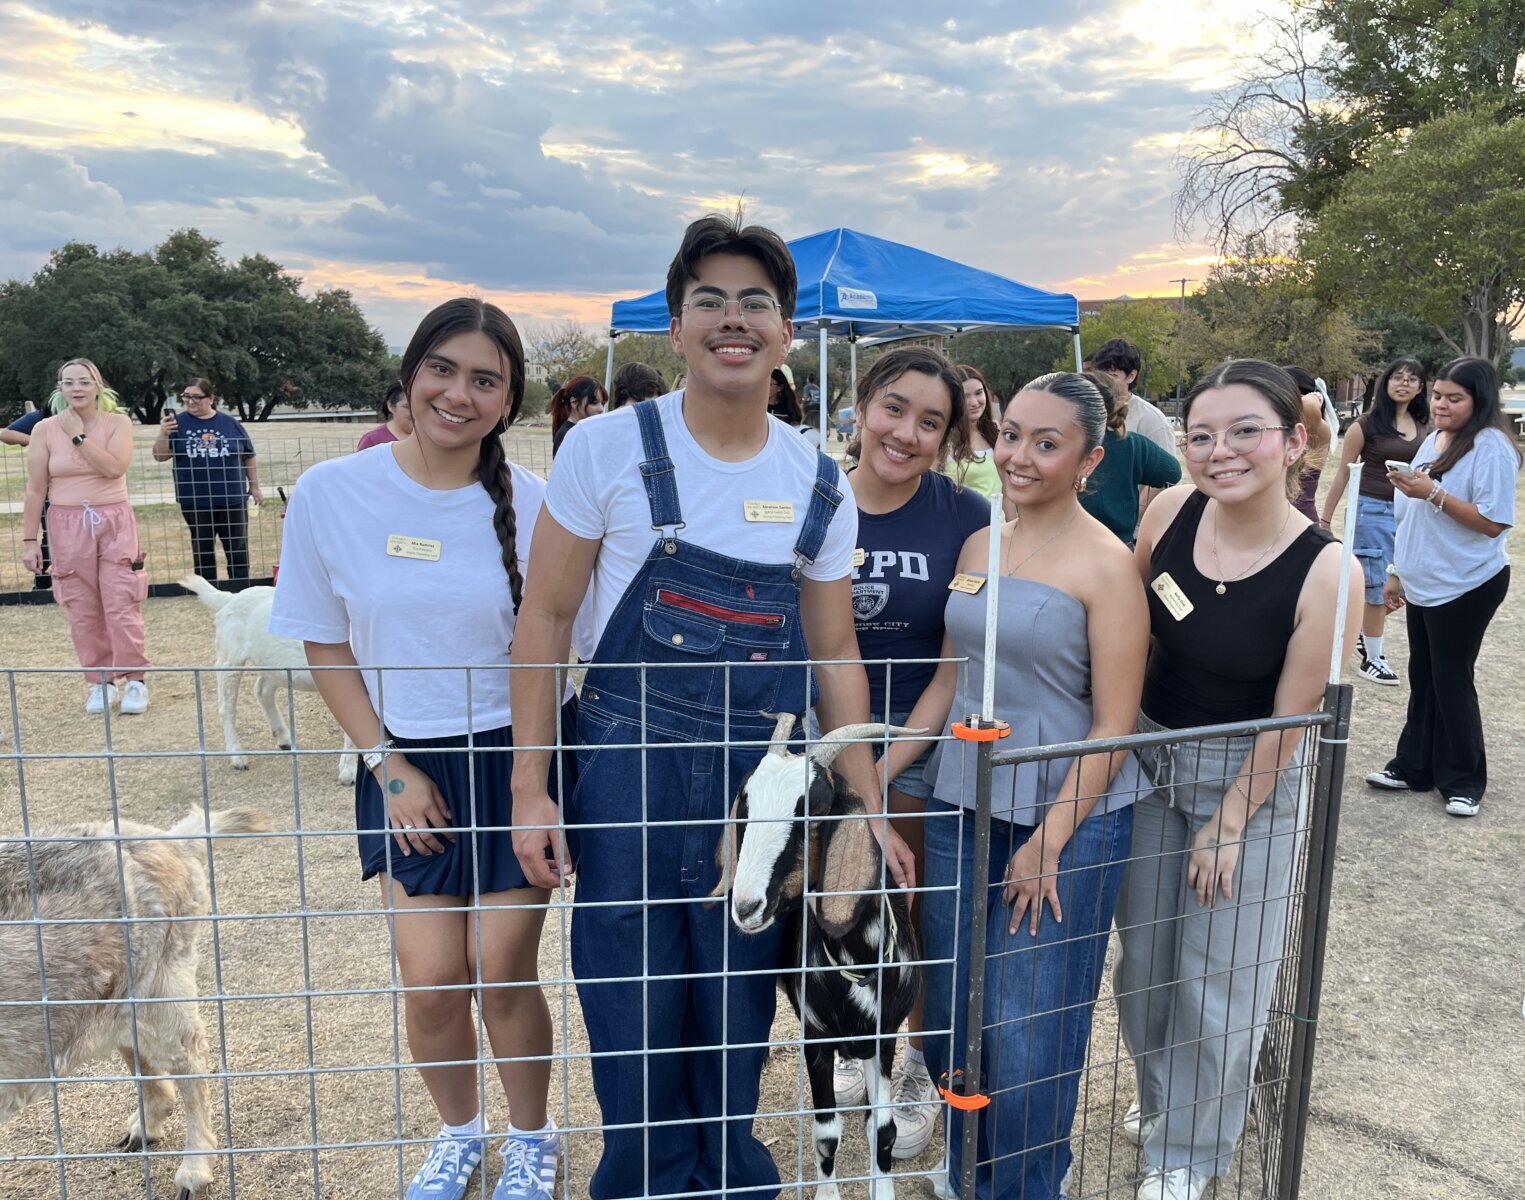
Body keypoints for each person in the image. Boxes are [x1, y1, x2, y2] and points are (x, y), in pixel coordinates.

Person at [509, 213, 909, 1200]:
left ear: (786, 335)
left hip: (762, 777)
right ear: (677, 329)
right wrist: (529, 786)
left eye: (756, 305)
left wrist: (864, 801)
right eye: (709, 303)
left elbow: (833, 648)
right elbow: (545, 617)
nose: (733, 320)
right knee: (628, 990)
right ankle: (642, 1179)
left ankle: (729, 1180)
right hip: (622, 764)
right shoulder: (603, 450)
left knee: (735, 997)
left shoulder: (818, 477)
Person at [271, 298, 577, 1200]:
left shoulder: (538, 501)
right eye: (443, 369)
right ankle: (460, 1135)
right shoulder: (336, 490)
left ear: (510, 400)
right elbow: (323, 641)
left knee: (500, 966)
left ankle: (532, 1140)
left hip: (515, 755)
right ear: (409, 374)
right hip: (404, 762)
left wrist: (534, 781)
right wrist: (386, 764)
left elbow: (556, 644)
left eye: (486, 380)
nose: (459, 393)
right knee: (435, 981)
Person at [879, 370, 1148, 1197]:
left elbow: (1114, 724)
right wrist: (868, 779)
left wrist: (1050, 840)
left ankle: (1027, 1184)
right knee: (958, 1011)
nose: (1018, 456)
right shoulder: (978, 544)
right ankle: (970, 1172)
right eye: (1009, 435)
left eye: (1045, 442)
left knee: (1031, 1031)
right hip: (963, 801)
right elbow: (945, 682)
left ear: (1089, 458)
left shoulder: (1108, 566)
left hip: (1066, 820)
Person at [1116, 359, 1359, 1200]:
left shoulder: (1327, 571)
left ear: (1294, 440)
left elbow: (1291, 720)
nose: (1220, 452)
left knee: (1218, 979)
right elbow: (1132, 630)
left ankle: (1191, 1153)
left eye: (1245, 431)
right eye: (1202, 434)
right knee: (1143, 966)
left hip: (1246, 775)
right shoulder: (1170, 508)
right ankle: (1163, 1109)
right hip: (1148, 760)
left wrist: (1228, 820)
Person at [824, 345, 986, 1160]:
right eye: (894, 409)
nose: (906, 433)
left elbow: (952, 672)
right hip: (825, 732)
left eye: (931, 422)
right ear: (860, 405)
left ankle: (916, 1060)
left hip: (918, 733)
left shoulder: (964, 517)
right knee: (837, 907)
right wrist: (846, 774)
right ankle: (859, 1039)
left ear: (950, 435)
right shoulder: (809, 499)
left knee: (907, 906)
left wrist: (878, 780)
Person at [1365, 356, 1518, 819]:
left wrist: (1431, 492)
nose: (1442, 405)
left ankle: (1464, 780)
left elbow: (1492, 522)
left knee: (1451, 679)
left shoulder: (1492, 446)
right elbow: (1411, 514)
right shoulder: (1435, 438)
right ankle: (1414, 767)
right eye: (1438, 395)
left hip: (1468, 581)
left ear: (1480, 399)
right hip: (1426, 578)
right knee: (1424, 677)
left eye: (1456, 398)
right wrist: (1397, 571)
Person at [20, 359, 151, 714]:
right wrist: (30, 540)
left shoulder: (118, 422)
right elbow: (35, 488)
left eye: (83, 381)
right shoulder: (45, 430)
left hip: (113, 521)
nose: (76, 389)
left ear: (97, 385)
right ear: (59, 388)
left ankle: (135, 679)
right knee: (81, 605)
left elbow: (113, 468)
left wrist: (77, 434)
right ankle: (100, 681)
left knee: (121, 599)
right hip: (65, 524)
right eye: (68, 382)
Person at [1318, 358, 1430, 686]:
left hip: (1411, 513)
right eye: (1398, 377)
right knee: (1377, 586)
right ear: (1386, 383)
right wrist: (1325, 519)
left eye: (1412, 379)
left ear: (1421, 387)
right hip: (1373, 510)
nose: (1404, 383)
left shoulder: (1426, 425)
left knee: (1402, 584)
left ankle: (1364, 632)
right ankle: (1373, 658)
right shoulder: (1366, 424)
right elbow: (1342, 474)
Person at [152, 378, 262, 582]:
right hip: (195, 498)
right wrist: (164, 433)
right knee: (202, 546)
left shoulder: (230, 424)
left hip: (231, 498)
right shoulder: (177, 423)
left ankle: (240, 586)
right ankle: (207, 587)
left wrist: (254, 487)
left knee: (237, 545)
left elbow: (248, 455)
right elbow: (160, 456)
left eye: (197, 397)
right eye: (186, 397)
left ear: (211, 398)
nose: (190, 401)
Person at [1079, 369, 1182, 544]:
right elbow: (1172, 472)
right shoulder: (1133, 444)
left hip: (1065, 547)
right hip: (1120, 546)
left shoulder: (1060, 447)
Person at [1088, 338, 1176, 455]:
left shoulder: (1151, 420)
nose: (1104, 382)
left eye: (1113, 376)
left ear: (1131, 376)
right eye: (1100, 375)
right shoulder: (1087, 412)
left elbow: (1168, 471)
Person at [1281, 365, 1336, 522]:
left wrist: (1316, 396)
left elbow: (1308, 406)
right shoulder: (1274, 428)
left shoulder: (1318, 430)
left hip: (1301, 522)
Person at [5, 407, 52, 588]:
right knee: (51, 536)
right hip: (47, 486)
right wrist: (39, 441)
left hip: (84, 490)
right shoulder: (42, 417)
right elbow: (7, 434)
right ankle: (42, 584)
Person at [941, 364, 1003, 499]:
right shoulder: (942, 440)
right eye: (965, 396)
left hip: (999, 519)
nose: (974, 402)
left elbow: (1005, 492)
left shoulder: (996, 431)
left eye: (978, 393)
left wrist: (1015, 520)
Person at [549, 375, 607, 457]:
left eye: (602, 403)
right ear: (574, 402)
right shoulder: (568, 435)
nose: (601, 409)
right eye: (594, 402)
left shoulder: (584, 431)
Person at [357, 381, 414, 450]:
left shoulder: (428, 436)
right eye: (407, 407)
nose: (416, 411)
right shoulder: (372, 441)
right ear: (391, 406)